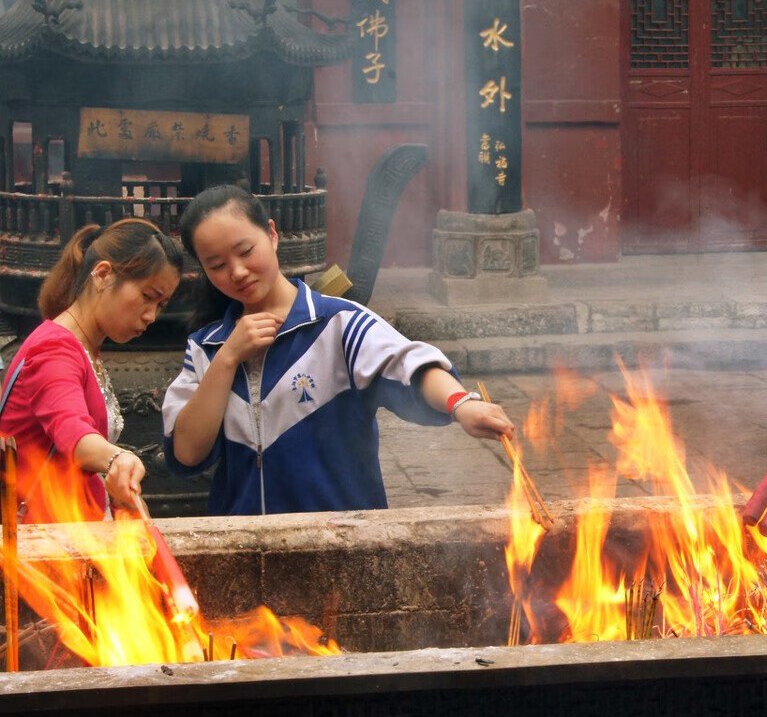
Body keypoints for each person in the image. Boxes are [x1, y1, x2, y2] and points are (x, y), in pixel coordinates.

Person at [161, 185, 515, 515]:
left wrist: (461, 404)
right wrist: (227, 358)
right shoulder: (206, 348)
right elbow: (188, 453)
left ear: (271, 233)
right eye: (217, 266)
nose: (236, 272)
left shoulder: (338, 323)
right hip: (245, 548)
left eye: (245, 251)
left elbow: (408, 365)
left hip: (341, 545)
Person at [0, 219, 183, 522]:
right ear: (102, 274)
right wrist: (118, 458)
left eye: (161, 304)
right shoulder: (54, 350)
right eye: (147, 296)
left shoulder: (82, 347)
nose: (152, 315)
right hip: (48, 543)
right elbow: (73, 432)